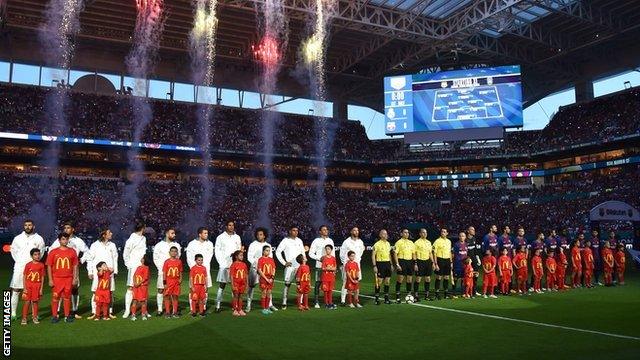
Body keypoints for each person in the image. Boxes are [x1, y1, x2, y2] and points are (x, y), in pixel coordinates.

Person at [50, 221, 89, 319]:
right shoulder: (58, 240)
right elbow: (51, 250)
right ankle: (58, 312)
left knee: (74, 289)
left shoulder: (78, 241)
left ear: (73, 229)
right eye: (65, 228)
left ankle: (74, 311)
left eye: (68, 228)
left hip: (73, 269)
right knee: (58, 291)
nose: (66, 229)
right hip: (61, 269)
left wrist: (81, 260)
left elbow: (87, 251)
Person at [10, 219, 45, 321]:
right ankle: (13, 313)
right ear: (23, 226)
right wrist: (20, 261)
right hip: (20, 267)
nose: (27, 227)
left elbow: (41, 253)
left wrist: (33, 263)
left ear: (33, 226)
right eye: (26, 225)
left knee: (34, 293)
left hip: (33, 269)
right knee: (16, 290)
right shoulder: (17, 238)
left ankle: (34, 315)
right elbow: (13, 251)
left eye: (29, 225)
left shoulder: (39, 239)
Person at [46, 232, 79, 323]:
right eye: (63, 239)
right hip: (57, 279)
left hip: (68, 278)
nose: (65, 241)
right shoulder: (53, 252)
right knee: (55, 297)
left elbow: (75, 266)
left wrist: (75, 278)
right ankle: (54, 316)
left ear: (68, 240)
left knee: (67, 297)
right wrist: (50, 279)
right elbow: (49, 266)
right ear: (59, 240)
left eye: (66, 239)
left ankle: (67, 316)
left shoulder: (72, 251)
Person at [86, 229, 118, 320]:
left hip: (109, 274)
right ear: (104, 235)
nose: (111, 233)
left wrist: (115, 271)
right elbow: (89, 259)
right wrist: (90, 271)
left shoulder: (112, 245)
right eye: (109, 233)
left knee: (110, 292)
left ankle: (109, 312)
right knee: (95, 292)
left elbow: (115, 258)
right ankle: (94, 312)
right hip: (98, 274)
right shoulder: (95, 245)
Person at [214, 221, 242, 313]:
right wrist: (221, 263)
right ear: (226, 226)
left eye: (233, 225)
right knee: (222, 286)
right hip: (224, 265)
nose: (231, 227)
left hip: (235, 266)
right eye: (229, 225)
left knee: (235, 286)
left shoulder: (237, 237)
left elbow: (239, 250)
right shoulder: (220, 237)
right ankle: (217, 305)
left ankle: (235, 305)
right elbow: (217, 251)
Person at [275, 226, 305, 309]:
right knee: (287, 285)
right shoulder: (285, 241)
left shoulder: (299, 240)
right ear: (290, 231)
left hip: (299, 266)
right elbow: (278, 252)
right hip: (290, 267)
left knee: (300, 285)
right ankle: (284, 302)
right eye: (294, 230)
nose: (296, 232)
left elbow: (302, 252)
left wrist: (304, 263)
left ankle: (300, 303)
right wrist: (284, 262)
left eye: (297, 230)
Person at [246, 227, 276, 312]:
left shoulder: (268, 245)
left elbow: (271, 258)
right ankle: (248, 305)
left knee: (268, 287)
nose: (259, 236)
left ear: (264, 235)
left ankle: (270, 305)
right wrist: (256, 266)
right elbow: (249, 257)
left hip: (266, 270)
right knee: (251, 286)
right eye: (258, 234)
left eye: (261, 234)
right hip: (255, 269)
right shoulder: (253, 244)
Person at [122, 221, 147, 319]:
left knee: (143, 287)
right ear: (143, 228)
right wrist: (128, 265)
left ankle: (144, 310)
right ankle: (128, 310)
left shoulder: (144, 238)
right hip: (133, 267)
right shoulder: (131, 239)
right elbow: (126, 253)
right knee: (131, 287)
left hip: (142, 267)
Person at [153, 228, 181, 316]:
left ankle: (173, 310)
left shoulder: (177, 245)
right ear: (166, 234)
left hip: (173, 274)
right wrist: (161, 268)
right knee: (161, 289)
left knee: (173, 292)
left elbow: (178, 257)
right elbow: (155, 258)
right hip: (163, 272)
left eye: (174, 233)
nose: (174, 235)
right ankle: (160, 309)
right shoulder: (159, 245)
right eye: (172, 233)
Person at [186, 227, 214, 311]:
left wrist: (203, 267)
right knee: (192, 289)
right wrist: (194, 268)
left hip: (205, 270)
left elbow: (209, 257)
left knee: (205, 288)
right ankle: (192, 308)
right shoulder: (192, 244)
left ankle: (203, 307)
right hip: (195, 271)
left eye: (207, 233)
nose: (207, 235)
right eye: (205, 233)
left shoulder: (210, 244)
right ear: (199, 234)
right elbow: (189, 257)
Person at [308, 225, 334, 308]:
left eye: (327, 229)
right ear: (320, 232)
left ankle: (328, 302)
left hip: (329, 268)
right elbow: (310, 253)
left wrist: (333, 265)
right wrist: (319, 258)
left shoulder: (330, 240)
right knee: (318, 284)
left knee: (329, 285)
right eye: (324, 229)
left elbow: (333, 254)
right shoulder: (316, 241)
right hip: (319, 266)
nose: (326, 231)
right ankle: (316, 302)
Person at [339, 227, 365, 306]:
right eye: (354, 230)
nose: (356, 232)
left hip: (356, 265)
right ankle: (343, 300)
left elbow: (361, 251)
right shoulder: (346, 242)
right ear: (351, 232)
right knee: (345, 282)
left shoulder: (360, 242)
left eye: (357, 230)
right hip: (348, 266)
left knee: (357, 282)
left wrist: (358, 260)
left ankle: (355, 301)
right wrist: (345, 263)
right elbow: (342, 254)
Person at [20, 248, 45, 325]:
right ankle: (24, 318)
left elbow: (42, 277)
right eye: (35, 254)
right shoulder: (28, 265)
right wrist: (24, 288)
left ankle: (34, 317)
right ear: (31, 256)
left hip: (37, 286)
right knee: (27, 302)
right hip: (28, 285)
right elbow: (24, 276)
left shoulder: (41, 265)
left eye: (38, 254)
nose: (37, 256)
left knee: (35, 302)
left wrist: (41, 288)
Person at [393, 229, 416, 303]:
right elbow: (395, 254)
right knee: (400, 279)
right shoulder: (398, 242)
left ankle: (409, 295)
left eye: (408, 233)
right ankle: (397, 296)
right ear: (401, 234)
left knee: (409, 279)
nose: (407, 234)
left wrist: (415, 263)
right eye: (405, 232)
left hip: (410, 262)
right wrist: (397, 264)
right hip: (402, 261)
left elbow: (413, 254)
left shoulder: (411, 243)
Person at [372, 229, 392, 305]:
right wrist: (374, 266)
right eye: (384, 234)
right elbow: (373, 255)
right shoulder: (376, 244)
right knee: (379, 281)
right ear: (380, 235)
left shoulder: (388, 244)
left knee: (387, 281)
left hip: (387, 264)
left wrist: (391, 264)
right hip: (380, 264)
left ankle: (386, 298)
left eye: (386, 234)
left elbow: (389, 254)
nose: (386, 235)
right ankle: (376, 299)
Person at [414, 228, 434, 301]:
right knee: (418, 278)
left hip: (427, 262)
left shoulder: (429, 242)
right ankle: (416, 295)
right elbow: (414, 254)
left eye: (425, 232)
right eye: (423, 232)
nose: (424, 234)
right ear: (420, 234)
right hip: (420, 261)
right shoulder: (416, 243)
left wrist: (433, 263)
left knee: (428, 278)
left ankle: (427, 295)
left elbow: (430, 253)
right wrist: (415, 263)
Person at [162, 246, 182, 318]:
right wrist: (164, 282)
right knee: (167, 296)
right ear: (169, 252)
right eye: (172, 251)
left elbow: (180, 271)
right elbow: (164, 273)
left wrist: (180, 279)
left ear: (177, 253)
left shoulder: (179, 261)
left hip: (176, 282)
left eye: (175, 251)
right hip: (168, 281)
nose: (173, 252)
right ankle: (167, 312)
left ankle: (175, 312)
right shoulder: (167, 262)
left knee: (175, 296)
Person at [433, 228, 452, 300]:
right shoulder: (437, 241)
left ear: (447, 233)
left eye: (444, 232)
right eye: (442, 232)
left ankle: (446, 294)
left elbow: (450, 252)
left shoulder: (449, 241)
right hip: (440, 259)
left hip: (447, 260)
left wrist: (451, 262)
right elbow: (434, 253)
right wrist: (435, 263)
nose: (443, 233)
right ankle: (437, 294)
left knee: (446, 277)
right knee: (439, 277)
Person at [257, 245, 276, 315]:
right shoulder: (260, 259)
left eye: (269, 251)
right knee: (264, 292)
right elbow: (259, 270)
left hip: (270, 279)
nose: (268, 252)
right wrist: (266, 279)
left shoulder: (271, 259)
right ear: (263, 251)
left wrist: (272, 278)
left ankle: (267, 307)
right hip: (264, 279)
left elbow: (274, 269)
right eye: (266, 250)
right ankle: (263, 308)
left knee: (269, 293)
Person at [131, 255, 150, 321]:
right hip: (136, 287)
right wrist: (134, 283)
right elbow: (134, 276)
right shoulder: (138, 267)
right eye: (141, 258)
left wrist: (138, 284)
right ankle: (133, 315)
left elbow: (145, 278)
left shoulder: (146, 268)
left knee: (143, 302)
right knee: (134, 300)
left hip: (142, 287)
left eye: (143, 258)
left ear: (145, 260)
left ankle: (143, 315)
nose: (141, 259)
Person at [229, 250, 248, 317]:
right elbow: (231, 275)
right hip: (236, 283)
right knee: (236, 296)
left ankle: (240, 309)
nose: (242, 257)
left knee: (241, 296)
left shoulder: (244, 264)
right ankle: (235, 309)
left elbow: (246, 275)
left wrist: (247, 284)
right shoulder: (233, 265)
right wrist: (232, 285)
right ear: (236, 256)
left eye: (242, 255)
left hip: (242, 284)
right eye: (240, 255)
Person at [466, 226, 482, 296]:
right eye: (472, 230)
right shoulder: (465, 240)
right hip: (467, 261)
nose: (474, 231)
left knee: (476, 274)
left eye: (474, 229)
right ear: (468, 231)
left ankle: (474, 291)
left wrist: (478, 258)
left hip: (474, 259)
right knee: (467, 276)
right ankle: (465, 291)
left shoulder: (474, 239)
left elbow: (475, 250)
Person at [452, 232, 468, 296]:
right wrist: (452, 263)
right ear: (459, 237)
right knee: (456, 278)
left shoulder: (466, 244)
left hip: (464, 265)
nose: (462, 237)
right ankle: (454, 293)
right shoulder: (456, 244)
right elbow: (453, 254)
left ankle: (462, 292)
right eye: (461, 236)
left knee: (463, 278)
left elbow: (466, 254)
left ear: (465, 237)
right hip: (457, 264)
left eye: (463, 236)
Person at [321, 244, 337, 309]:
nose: (327, 250)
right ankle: (326, 303)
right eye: (326, 249)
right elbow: (323, 268)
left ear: (331, 250)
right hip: (325, 277)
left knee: (330, 290)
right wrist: (330, 268)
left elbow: (335, 267)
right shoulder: (324, 258)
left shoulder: (333, 258)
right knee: (325, 290)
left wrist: (330, 268)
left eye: (328, 249)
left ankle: (330, 302)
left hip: (331, 277)